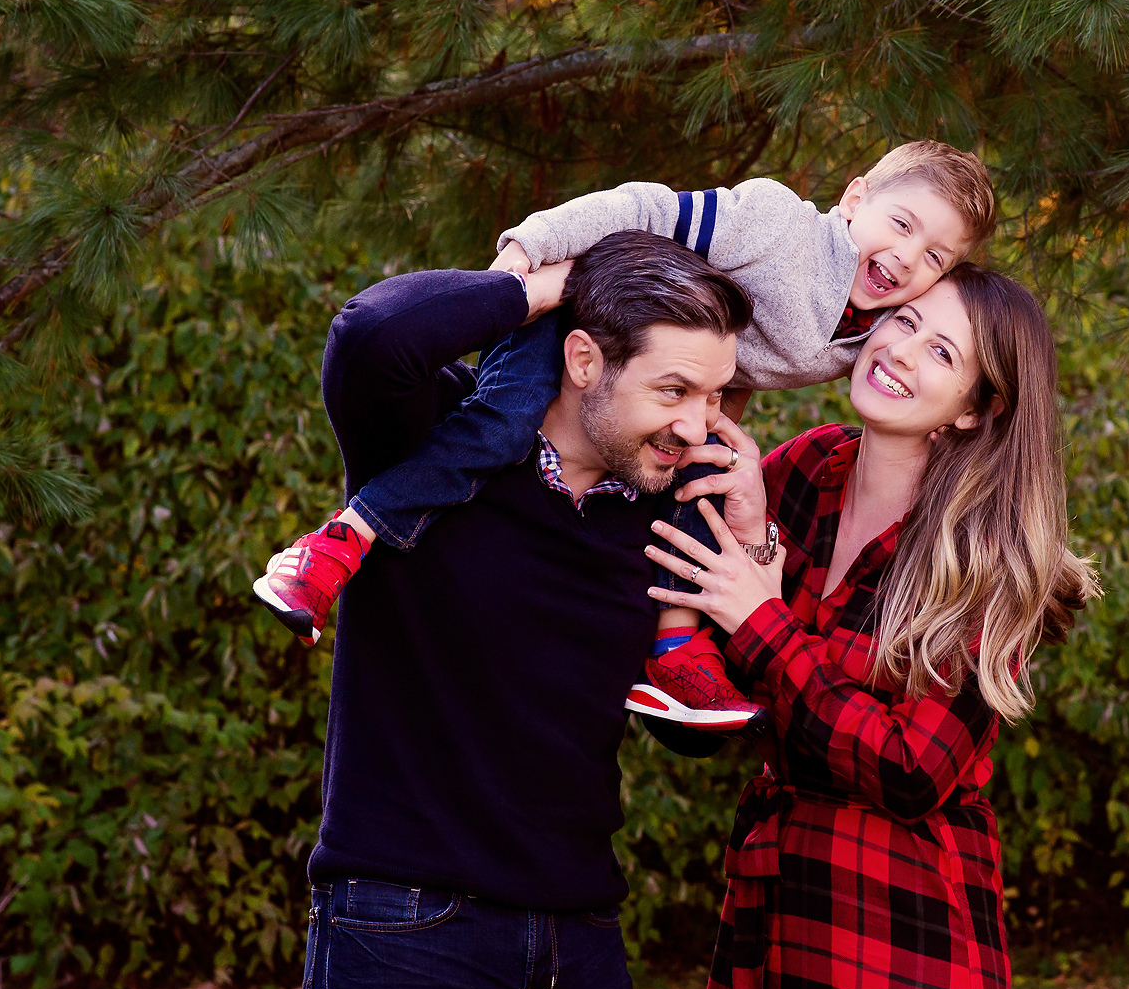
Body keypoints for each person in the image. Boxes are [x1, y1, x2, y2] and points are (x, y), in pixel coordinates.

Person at [255, 141, 997, 730]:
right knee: (495, 429)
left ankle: (676, 647)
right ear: (855, 197)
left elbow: (740, 358)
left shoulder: (858, 337)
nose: (908, 257)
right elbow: (647, 207)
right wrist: (529, 264)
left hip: (674, 389)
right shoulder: (778, 229)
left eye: (935, 256)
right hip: (581, 319)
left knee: (700, 486)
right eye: (902, 225)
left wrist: (710, 417)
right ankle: (338, 543)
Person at [294, 231, 776, 989]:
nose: (697, 426)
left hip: (580, 933)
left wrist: (750, 540)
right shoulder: (432, 441)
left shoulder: (663, 507)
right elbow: (371, 333)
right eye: (673, 390)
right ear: (584, 359)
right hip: (406, 925)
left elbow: (684, 735)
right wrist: (551, 282)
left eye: (716, 396)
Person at [641, 265, 1100, 989]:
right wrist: (744, 542)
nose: (904, 350)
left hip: (898, 935)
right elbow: (697, 710)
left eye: (944, 353)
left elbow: (911, 770)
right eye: (906, 320)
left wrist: (763, 618)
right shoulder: (804, 474)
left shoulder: (988, 558)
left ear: (974, 410)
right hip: (770, 906)